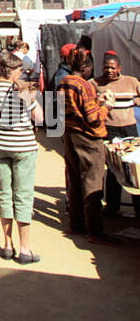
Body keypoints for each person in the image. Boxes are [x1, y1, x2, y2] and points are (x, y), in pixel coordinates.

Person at [0, 52, 40, 262]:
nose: (22, 74)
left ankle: (7, 245)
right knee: (23, 195)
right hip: (23, 146)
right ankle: (24, 248)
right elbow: (40, 117)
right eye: (20, 70)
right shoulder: (23, 88)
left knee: (4, 194)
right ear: (12, 71)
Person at [57, 45, 113, 244]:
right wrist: (105, 107)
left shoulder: (64, 82)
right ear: (86, 67)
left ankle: (76, 224)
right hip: (88, 138)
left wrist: (94, 101)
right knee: (92, 182)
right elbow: (93, 119)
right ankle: (95, 231)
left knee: (74, 180)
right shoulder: (84, 85)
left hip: (71, 135)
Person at [95, 51, 140, 221]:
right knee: (113, 170)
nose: (109, 71)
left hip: (129, 129)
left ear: (119, 68)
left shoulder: (131, 82)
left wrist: (136, 101)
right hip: (109, 130)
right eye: (106, 67)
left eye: (112, 68)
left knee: (133, 171)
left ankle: (138, 210)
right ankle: (112, 207)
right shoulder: (95, 83)